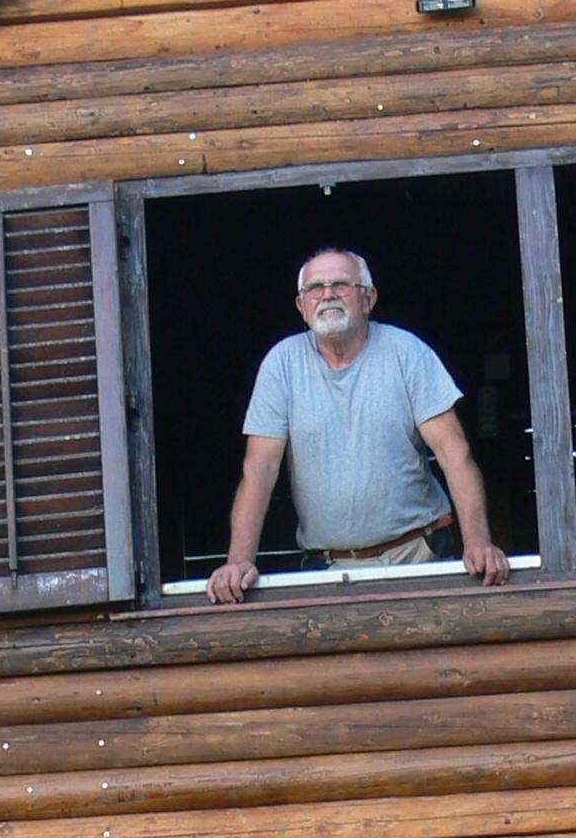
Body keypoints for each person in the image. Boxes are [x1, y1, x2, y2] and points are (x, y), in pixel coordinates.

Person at [205, 247, 511, 602]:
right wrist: (238, 562)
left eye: (341, 284)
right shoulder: (281, 364)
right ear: (301, 306)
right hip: (329, 569)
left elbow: (454, 453)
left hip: (418, 554)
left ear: (369, 299)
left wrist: (477, 543)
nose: (328, 294)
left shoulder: (408, 352)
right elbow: (260, 467)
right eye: (315, 288)